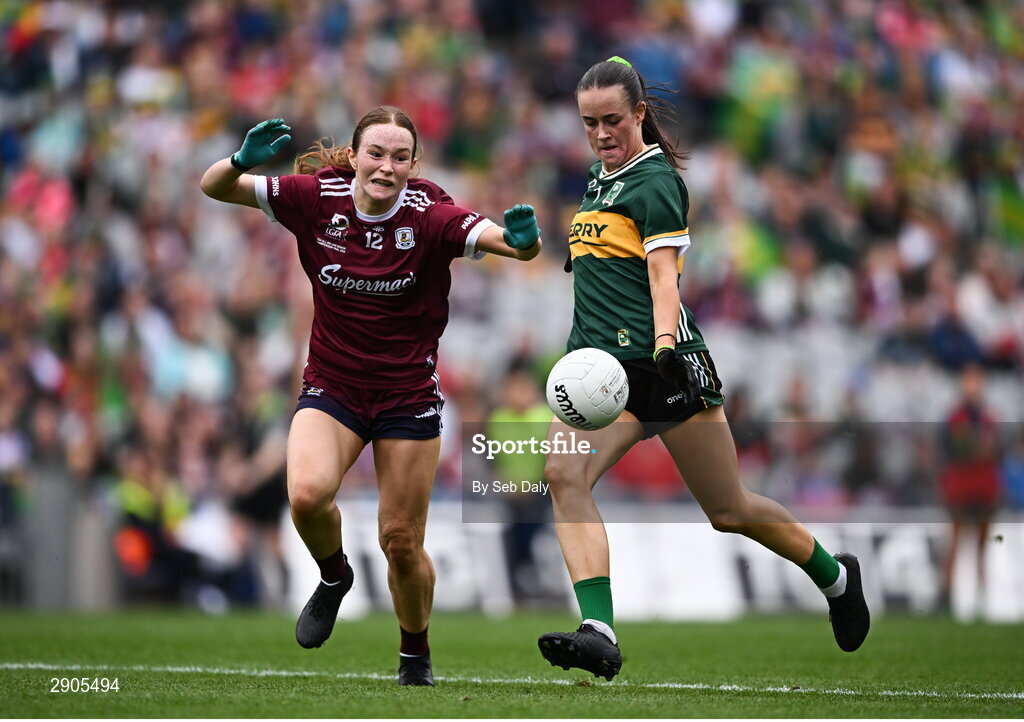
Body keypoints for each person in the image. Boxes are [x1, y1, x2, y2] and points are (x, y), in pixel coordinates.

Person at [537, 58, 869, 681]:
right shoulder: (597, 181)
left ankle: (836, 575)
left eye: (612, 120)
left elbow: (665, 275)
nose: (601, 133)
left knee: (729, 510)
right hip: (602, 376)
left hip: (666, 367)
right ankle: (599, 630)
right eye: (589, 123)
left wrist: (663, 343)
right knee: (563, 472)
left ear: (638, 114)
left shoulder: (657, 181)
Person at [200, 107, 542, 686]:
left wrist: (524, 242)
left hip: (407, 396)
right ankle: (335, 577)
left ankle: (415, 654)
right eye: (376, 154)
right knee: (306, 496)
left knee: (401, 542)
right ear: (354, 156)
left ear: (413, 164)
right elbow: (215, 187)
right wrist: (239, 161)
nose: (387, 167)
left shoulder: (429, 214)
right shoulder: (314, 197)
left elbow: (508, 244)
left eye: (400, 157)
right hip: (332, 385)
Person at [938, 363, 1001, 615]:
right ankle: (946, 596)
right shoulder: (957, 417)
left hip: (984, 489)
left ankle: (981, 596)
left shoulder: (988, 417)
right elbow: (960, 449)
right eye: (968, 381)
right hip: (962, 489)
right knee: (955, 542)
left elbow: (993, 451)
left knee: (982, 546)